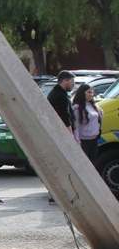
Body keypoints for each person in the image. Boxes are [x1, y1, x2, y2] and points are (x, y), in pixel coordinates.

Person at [47, 70, 76, 203]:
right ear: (65, 81)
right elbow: (65, 117)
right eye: (72, 81)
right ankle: (56, 193)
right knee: (61, 166)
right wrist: (69, 136)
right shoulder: (60, 96)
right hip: (59, 136)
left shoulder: (59, 93)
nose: (73, 84)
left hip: (56, 135)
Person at [72, 84, 103, 165]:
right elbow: (76, 126)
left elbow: (100, 117)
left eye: (92, 92)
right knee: (83, 164)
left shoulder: (94, 106)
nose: (90, 95)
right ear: (82, 93)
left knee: (92, 163)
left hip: (94, 139)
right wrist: (77, 141)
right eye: (88, 92)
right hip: (83, 140)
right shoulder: (77, 107)